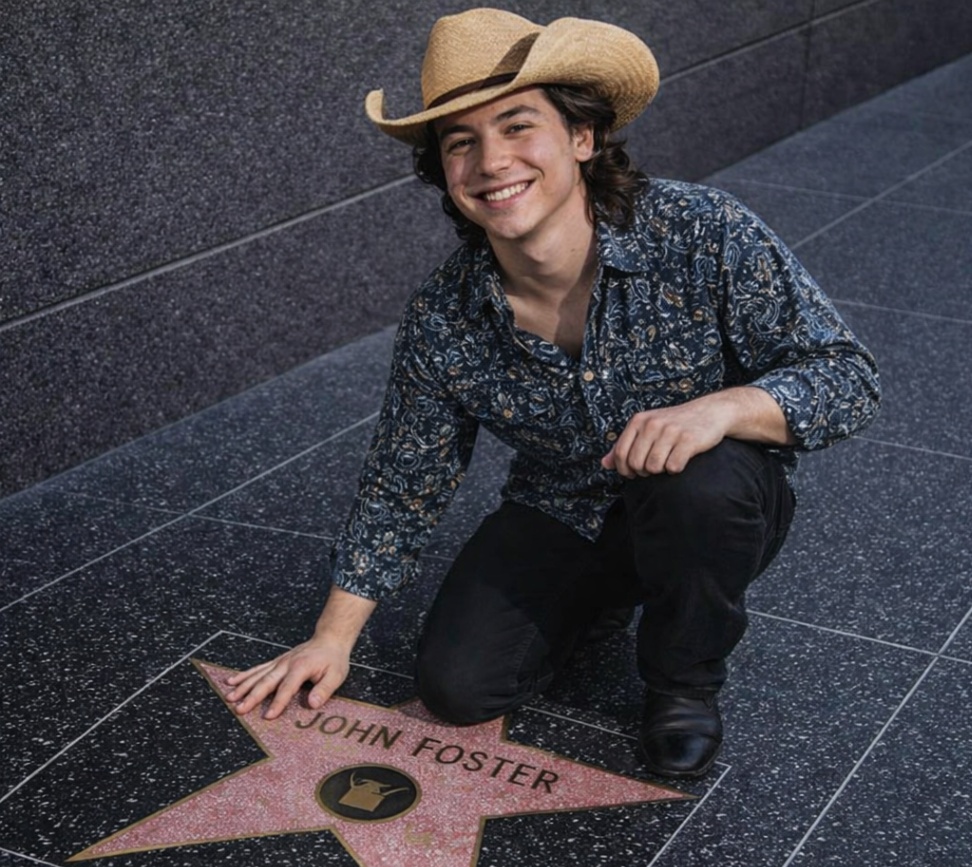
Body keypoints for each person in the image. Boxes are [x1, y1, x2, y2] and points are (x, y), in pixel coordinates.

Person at [227, 9, 880, 778]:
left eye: (516, 126)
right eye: (460, 141)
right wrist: (332, 638)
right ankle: (611, 591)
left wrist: (720, 409)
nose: (491, 160)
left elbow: (847, 375)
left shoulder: (702, 231)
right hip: (563, 507)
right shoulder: (447, 316)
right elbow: (404, 481)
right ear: (444, 173)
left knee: (698, 489)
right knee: (458, 688)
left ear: (581, 137)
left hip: (712, 497)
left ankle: (684, 682)